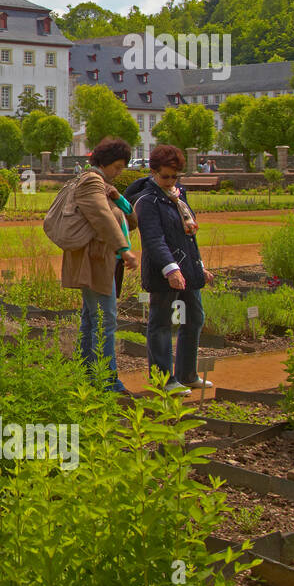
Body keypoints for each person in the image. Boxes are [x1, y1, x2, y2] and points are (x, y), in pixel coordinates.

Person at [126, 145, 214, 393]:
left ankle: (186, 374)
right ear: (153, 172)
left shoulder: (178, 194)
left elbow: (188, 235)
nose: (170, 181)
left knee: (194, 318)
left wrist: (200, 266)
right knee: (161, 323)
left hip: (187, 269)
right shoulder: (147, 200)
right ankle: (163, 380)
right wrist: (171, 269)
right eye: (165, 176)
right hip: (163, 273)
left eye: (175, 176)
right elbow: (154, 239)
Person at [60, 137, 140, 396]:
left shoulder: (103, 185)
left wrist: (120, 198)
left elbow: (131, 220)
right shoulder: (92, 180)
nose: (119, 172)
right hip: (95, 261)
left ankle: (85, 373)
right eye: (117, 166)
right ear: (104, 163)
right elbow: (101, 216)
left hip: (103, 261)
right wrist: (124, 250)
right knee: (105, 321)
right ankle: (107, 380)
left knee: (91, 320)